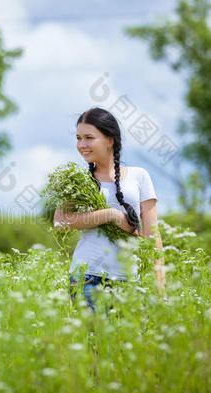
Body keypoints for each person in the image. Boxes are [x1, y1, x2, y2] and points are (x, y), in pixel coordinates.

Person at [53, 107, 167, 312]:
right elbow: (60, 222)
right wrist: (110, 215)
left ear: (110, 140)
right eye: (78, 138)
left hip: (130, 279)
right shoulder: (78, 180)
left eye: (89, 137)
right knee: (96, 343)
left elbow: (152, 236)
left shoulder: (139, 176)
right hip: (87, 277)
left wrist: (160, 285)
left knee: (129, 343)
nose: (82, 145)